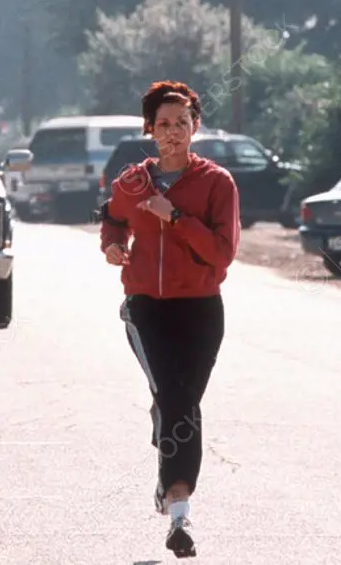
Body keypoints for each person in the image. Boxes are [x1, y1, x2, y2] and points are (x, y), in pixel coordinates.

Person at [99, 80, 240, 559]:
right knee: (180, 402)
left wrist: (175, 216)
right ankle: (181, 516)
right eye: (164, 124)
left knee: (181, 405)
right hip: (146, 309)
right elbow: (112, 216)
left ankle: (166, 433)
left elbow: (222, 255)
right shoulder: (131, 182)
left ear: (196, 126)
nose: (173, 131)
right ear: (149, 129)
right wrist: (113, 246)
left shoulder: (217, 183)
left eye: (182, 122)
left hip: (200, 309)